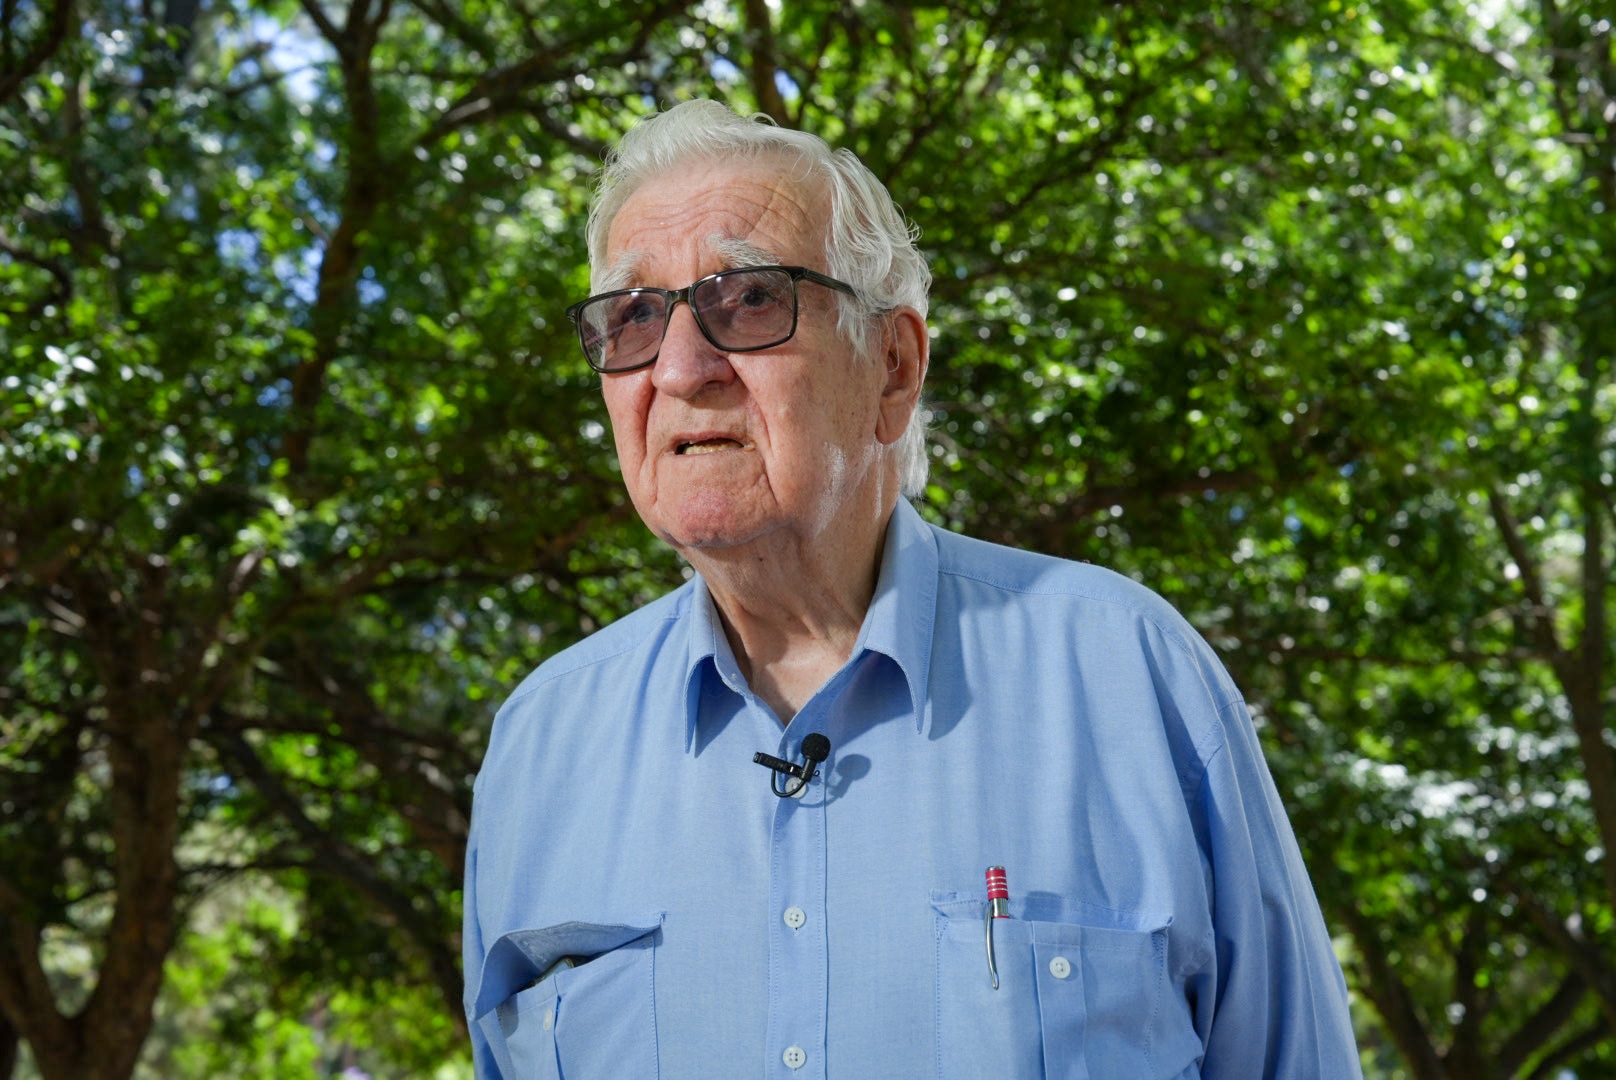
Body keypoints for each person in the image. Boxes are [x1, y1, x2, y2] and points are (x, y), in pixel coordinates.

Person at [462, 98, 1361, 1079]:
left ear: (892, 366)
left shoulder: (1127, 673)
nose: (681, 368)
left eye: (750, 300)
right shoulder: (538, 744)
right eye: (632, 317)